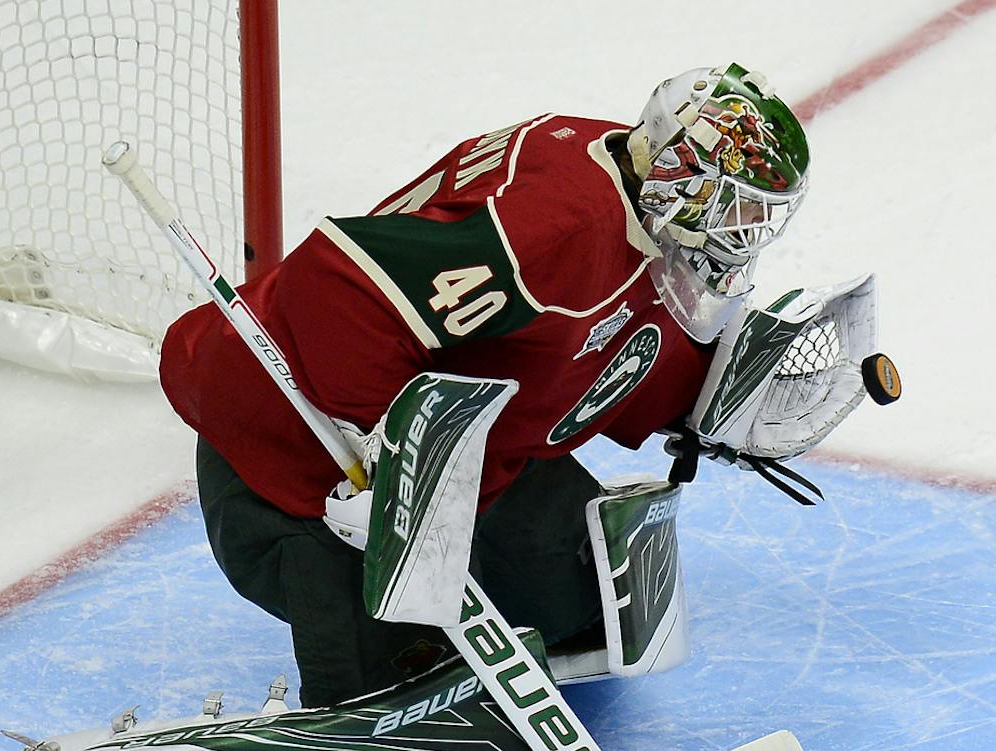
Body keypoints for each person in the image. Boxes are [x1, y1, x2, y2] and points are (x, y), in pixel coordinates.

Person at [159, 63, 810, 706]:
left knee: (578, 598)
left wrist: (703, 398)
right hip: (292, 451)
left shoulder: (626, 183)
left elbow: (595, 337)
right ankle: (373, 667)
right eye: (738, 205)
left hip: (451, 438)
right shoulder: (553, 233)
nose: (745, 230)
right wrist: (394, 456)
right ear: (678, 171)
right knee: (407, 697)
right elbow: (330, 290)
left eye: (761, 214)